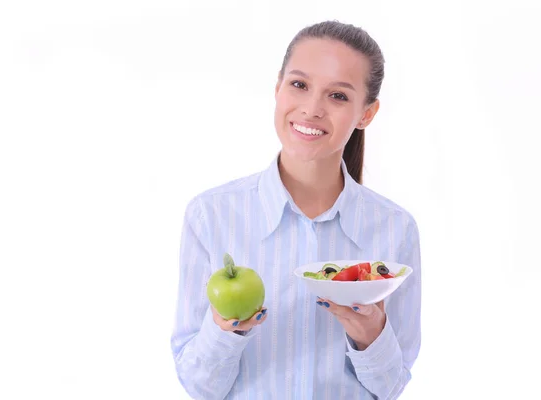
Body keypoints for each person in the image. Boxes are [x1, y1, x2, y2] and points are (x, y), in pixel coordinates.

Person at [170, 20, 422, 400]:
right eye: (300, 85)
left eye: (338, 96)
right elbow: (200, 387)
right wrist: (227, 331)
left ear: (366, 114)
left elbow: (390, 387)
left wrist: (371, 337)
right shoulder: (211, 216)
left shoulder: (394, 229)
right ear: (278, 88)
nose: (311, 109)